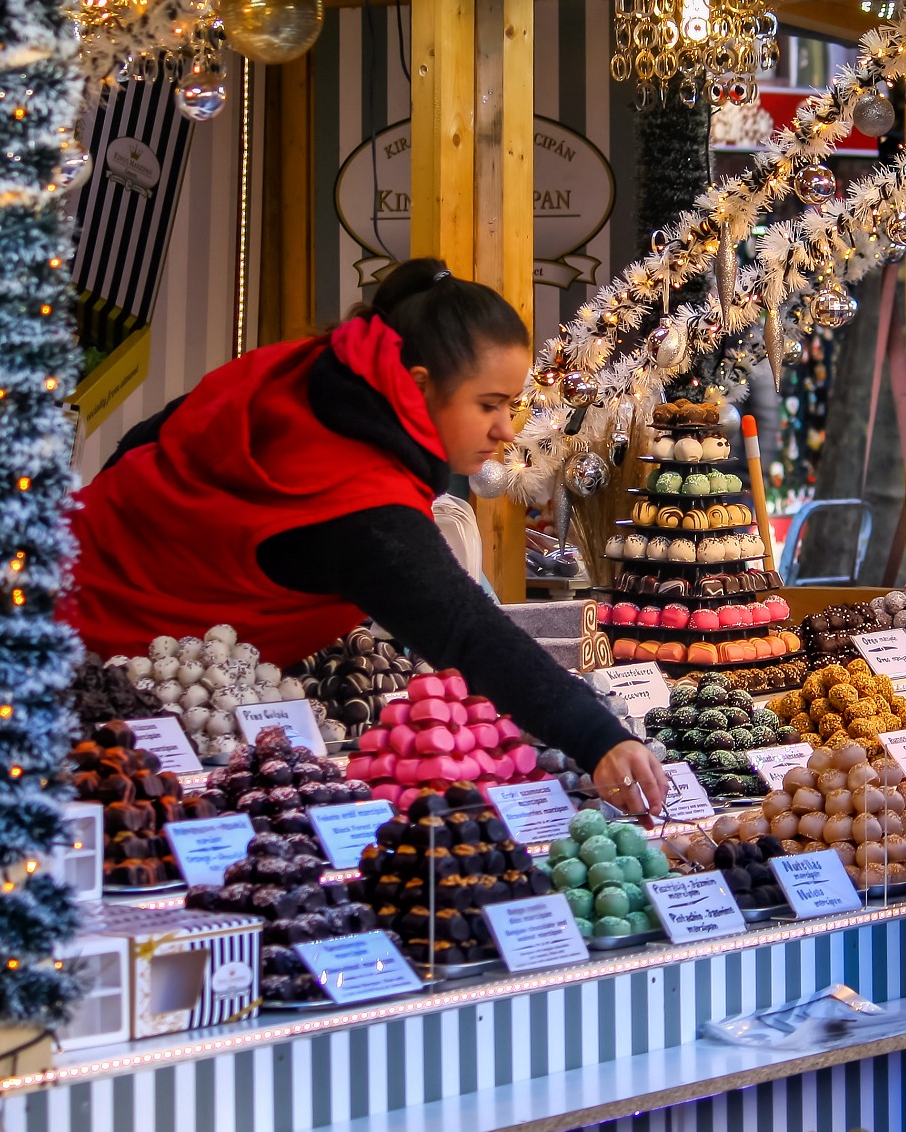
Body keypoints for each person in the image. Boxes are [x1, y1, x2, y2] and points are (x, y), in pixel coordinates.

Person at [68, 258, 667, 817]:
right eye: (490, 404)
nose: (505, 431)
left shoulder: (318, 369)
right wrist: (597, 737)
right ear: (420, 384)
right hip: (104, 643)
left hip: (77, 564)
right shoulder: (356, 499)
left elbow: (152, 435)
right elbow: (465, 630)